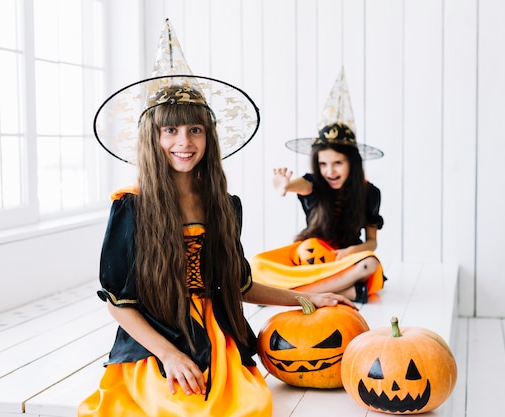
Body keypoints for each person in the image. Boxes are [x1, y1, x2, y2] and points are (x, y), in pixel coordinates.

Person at [78, 21, 355, 417]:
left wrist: (304, 298)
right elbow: (119, 304)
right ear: (152, 138)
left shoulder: (224, 205)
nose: (183, 142)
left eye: (195, 129)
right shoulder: (131, 207)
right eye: (169, 130)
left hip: (215, 334)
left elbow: (237, 284)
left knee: (248, 405)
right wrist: (171, 356)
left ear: (209, 136)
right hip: (159, 338)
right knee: (178, 408)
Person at [250, 68, 385, 304]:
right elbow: (297, 185)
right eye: (323, 164)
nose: (329, 171)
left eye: (337, 163)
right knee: (257, 265)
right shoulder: (313, 184)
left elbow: (372, 243)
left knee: (370, 263)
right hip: (307, 259)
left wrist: (352, 251)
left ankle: (295, 294)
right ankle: (347, 292)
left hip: (342, 261)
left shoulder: (369, 193)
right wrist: (284, 185)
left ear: (351, 163)